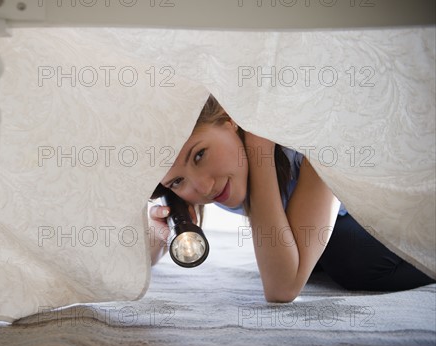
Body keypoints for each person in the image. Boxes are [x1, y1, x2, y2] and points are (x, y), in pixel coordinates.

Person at [148, 95, 434, 302]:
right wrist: (167, 231)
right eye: (177, 181)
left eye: (199, 155)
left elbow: (282, 288)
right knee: (304, 254)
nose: (204, 187)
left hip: (398, 213)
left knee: (349, 254)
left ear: (229, 119)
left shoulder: (310, 139)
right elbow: (136, 264)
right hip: (335, 222)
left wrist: (259, 148)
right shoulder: (196, 185)